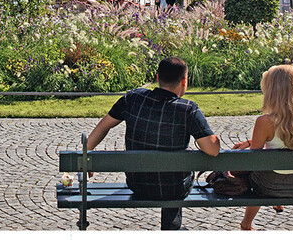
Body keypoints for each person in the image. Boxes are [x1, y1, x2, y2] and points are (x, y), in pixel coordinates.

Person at [86, 56, 220, 230]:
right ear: (185, 81)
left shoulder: (133, 98)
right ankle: (171, 229)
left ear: (157, 77)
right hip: (173, 188)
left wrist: (86, 155)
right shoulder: (188, 110)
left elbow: (104, 126)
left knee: (171, 178)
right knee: (174, 181)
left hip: (138, 184)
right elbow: (213, 150)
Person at [231, 64, 293, 231]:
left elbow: (254, 159)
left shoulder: (265, 122)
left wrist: (250, 144)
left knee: (258, 173)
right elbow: (292, 142)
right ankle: (278, 204)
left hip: (267, 186)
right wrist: (250, 141)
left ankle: (246, 223)